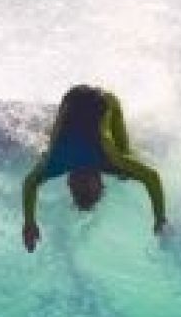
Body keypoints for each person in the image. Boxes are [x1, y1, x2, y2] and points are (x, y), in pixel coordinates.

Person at [21, 85, 168, 252]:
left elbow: (152, 177)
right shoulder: (57, 163)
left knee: (125, 159)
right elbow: (30, 183)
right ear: (69, 181)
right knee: (51, 149)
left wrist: (160, 219)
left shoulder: (109, 160)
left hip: (101, 100)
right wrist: (29, 223)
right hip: (74, 97)